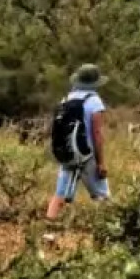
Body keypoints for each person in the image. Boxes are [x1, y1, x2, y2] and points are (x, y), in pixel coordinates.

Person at [46, 63, 109, 225]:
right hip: (86, 154)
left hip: (68, 152)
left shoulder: (67, 99)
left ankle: (49, 224)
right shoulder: (94, 101)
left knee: (60, 194)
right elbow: (97, 133)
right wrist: (101, 162)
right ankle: (109, 228)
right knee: (102, 196)